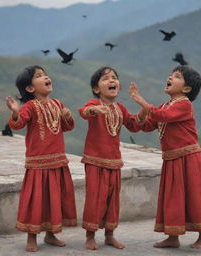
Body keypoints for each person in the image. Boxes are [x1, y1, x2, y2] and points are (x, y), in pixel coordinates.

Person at [129, 65, 201, 249]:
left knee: (192, 197)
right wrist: (141, 113)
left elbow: (163, 116)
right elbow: (146, 125)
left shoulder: (184, 104)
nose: (170, 77)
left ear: (186, 89)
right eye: (171, 74)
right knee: (172, 198)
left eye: (176, 76)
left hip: (188, 159)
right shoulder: (165, 105)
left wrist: (142, 101)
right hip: (172, 159)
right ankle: (173, 237)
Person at [5, 65, 77, 252]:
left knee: (54, 200)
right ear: (30, 88)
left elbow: (67, 127)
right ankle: (32, 237)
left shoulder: (57, 104)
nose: (46, 77)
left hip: (57, 161)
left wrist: (67, 117)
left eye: (45, 74)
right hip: (38, 163)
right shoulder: (30, 106)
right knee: (36, 200)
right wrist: (14, 111)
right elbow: (18, 123)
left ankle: (51, 234)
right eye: (39, 76)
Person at [79, 66, 144, 250]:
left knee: (112, 201)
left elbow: (133, 124)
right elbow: (84, 111)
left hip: (114, 162)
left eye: (114, 78)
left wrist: (143, 107)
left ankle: (109, 235)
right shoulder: (94, 103)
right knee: (95, 199)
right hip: (94, 161)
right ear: (96, 89)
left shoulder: (120, 108)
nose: (112, 80)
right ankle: (90, 236)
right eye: (106, 78)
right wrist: (95, 111)